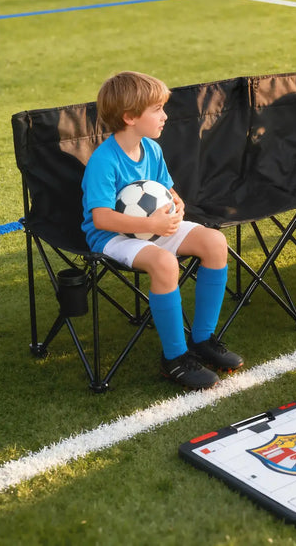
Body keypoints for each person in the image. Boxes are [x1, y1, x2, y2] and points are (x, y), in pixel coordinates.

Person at [81, 71, 244, 390]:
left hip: (154, 226)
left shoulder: (151, 150)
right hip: (113, 237)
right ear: (130, 117)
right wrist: (150, 225)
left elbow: (167, 191)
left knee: (214, 241)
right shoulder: (104, 161)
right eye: (156, 109)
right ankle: (175, 359)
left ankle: (202, 340)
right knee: (164, 263)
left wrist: (177, 206)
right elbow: (101, 218)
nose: (165, 115)